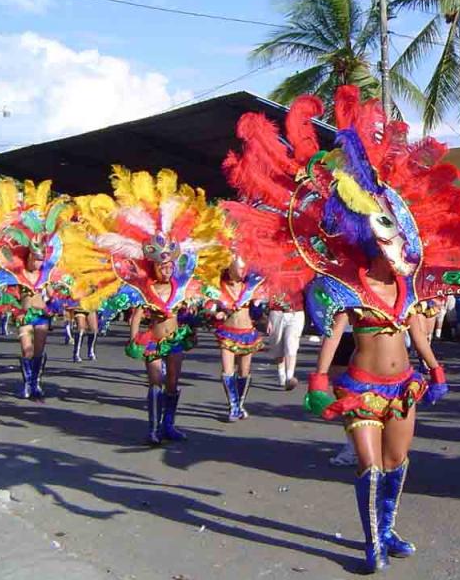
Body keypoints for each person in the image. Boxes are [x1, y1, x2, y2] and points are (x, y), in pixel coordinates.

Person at [223, 86, 460, 573]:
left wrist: (436, 368)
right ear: (368, 242)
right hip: (360, 389)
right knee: (369, 465)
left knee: (397, 464)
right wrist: (319, 379)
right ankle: (371, 543)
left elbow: (419, 334)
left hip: (404, 387)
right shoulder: (347, 288)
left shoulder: (409, 290)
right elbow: (336, 335)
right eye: (382, 243)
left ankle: (388, 528)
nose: (390, 252)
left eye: (395, 243)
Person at [64, 167, 230, 444]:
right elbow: (138, 313)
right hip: (151, 339)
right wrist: (132, 338)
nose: (166, 269)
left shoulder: (183, 285)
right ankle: (153, 428)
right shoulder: (144, 286)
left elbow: (197, 306)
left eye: (169, 264)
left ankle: (168, 425)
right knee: (155, 382)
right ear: (153, 265)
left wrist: (207, 316)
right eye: (161, 265)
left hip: (175, 338)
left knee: (173, 383)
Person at [0, 180, 76, 400]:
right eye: (34, 258)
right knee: (26, 350)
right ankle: (27, 383)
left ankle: (36, 381)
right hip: (22, 314)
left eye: (40, 259)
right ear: (28, 255)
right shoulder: (14, 270)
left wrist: (68, 294)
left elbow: (71, 285)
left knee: (38, 352)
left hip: (41, 315)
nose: (37, 263)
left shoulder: (48, 271)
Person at [206, 253, 266, 422]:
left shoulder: (250, 287)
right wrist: (215, 312)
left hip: (247, 333)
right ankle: (232, 406)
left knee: (244, 371)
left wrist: (261, 314)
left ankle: (240, 404)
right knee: (227, 370)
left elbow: (257, 311)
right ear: (230, 267)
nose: (243, 271)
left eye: (244, 268)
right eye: (240, 267)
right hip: (227, 333)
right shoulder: (219, 286)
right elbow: (209, 306)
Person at [266, 292, 304, 390]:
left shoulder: (302, 278)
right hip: (277, 313)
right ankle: (282, 375)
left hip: (296, 313)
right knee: (278, 347)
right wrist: (268, 318)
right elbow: (267, 294)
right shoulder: (273, 278)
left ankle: (289, 377)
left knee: (291, 345)